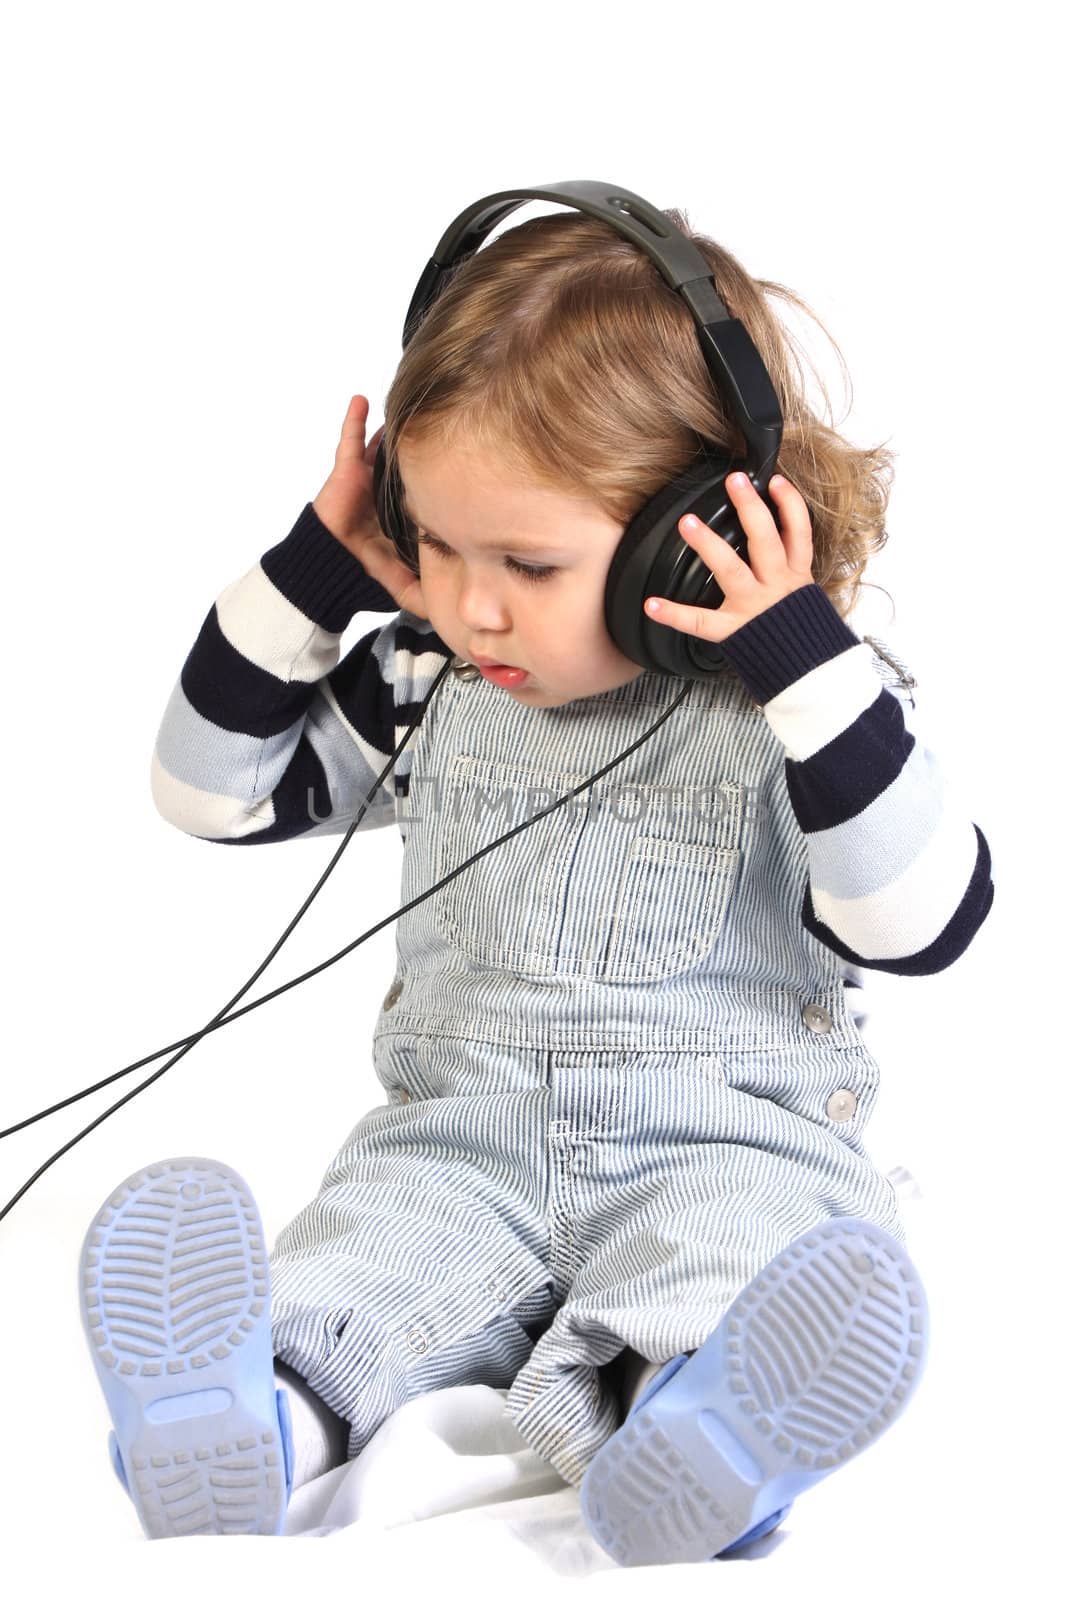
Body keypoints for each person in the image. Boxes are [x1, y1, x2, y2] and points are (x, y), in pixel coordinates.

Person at [81, 209, 993, 1560]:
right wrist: (314, 573)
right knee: (360, 1281)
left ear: (684, 540)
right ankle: (251, 1422)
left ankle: (693, 1436)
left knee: (733, 1267)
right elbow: (208, 791)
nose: (470, 608)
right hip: (460, 1151)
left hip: (720, 1148)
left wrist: (806, 669)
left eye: (530, 564)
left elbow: (928, 922)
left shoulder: (800, 714)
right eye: (433, 544)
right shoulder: (424, 686)